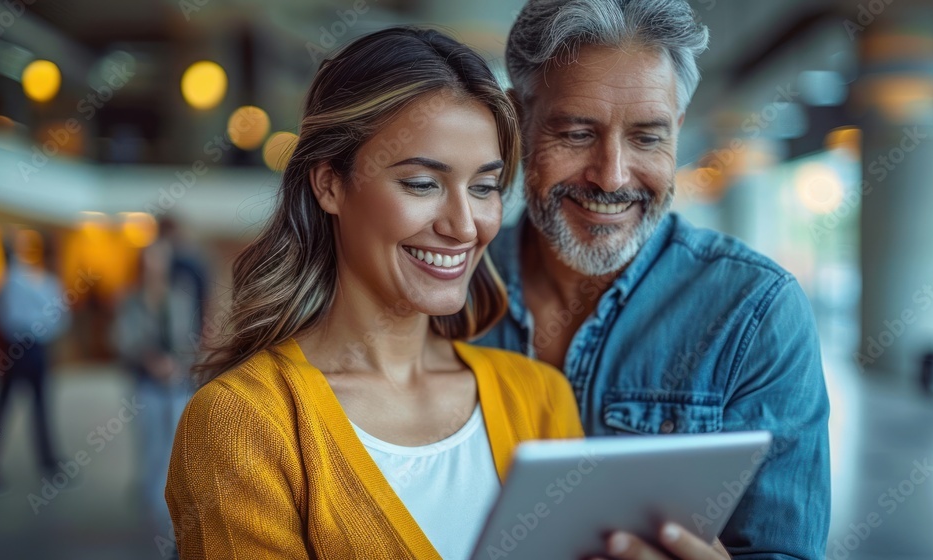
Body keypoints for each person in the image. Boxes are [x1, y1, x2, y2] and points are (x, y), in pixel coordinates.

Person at [165, 27, 584, 560]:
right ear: (330, 185)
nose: (464, 226)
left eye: (484, 188)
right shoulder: (243, 423)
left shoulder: (540, 397)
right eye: (421, 184)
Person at [476, 1, 831, 558]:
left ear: (678, 130)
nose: (612, 176)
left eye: (646, 138)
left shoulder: (757, 313)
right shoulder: (445, 287)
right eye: (575, 133)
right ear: (518, 120)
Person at [113, 239, 198, 534]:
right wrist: (149, 360)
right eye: (150, 260)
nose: (154, 266)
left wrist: (177, 364)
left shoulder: (179, 298)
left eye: (159, 259)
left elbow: (190, 339)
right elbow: (123, 341)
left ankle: (172, 502)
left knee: (176, 444)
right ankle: (152, 504)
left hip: (177, 382)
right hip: (145, 382)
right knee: (150, 442)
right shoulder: (130, 300)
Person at [0, 230, 68, 483]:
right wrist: (41, 321)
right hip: (18, 350)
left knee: (36, 407)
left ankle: (47, 462)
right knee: (3, 408)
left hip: (34, 349)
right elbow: (13, 318)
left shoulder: (38, 281)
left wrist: (38, 323)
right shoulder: (12, 282)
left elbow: (58, 318)